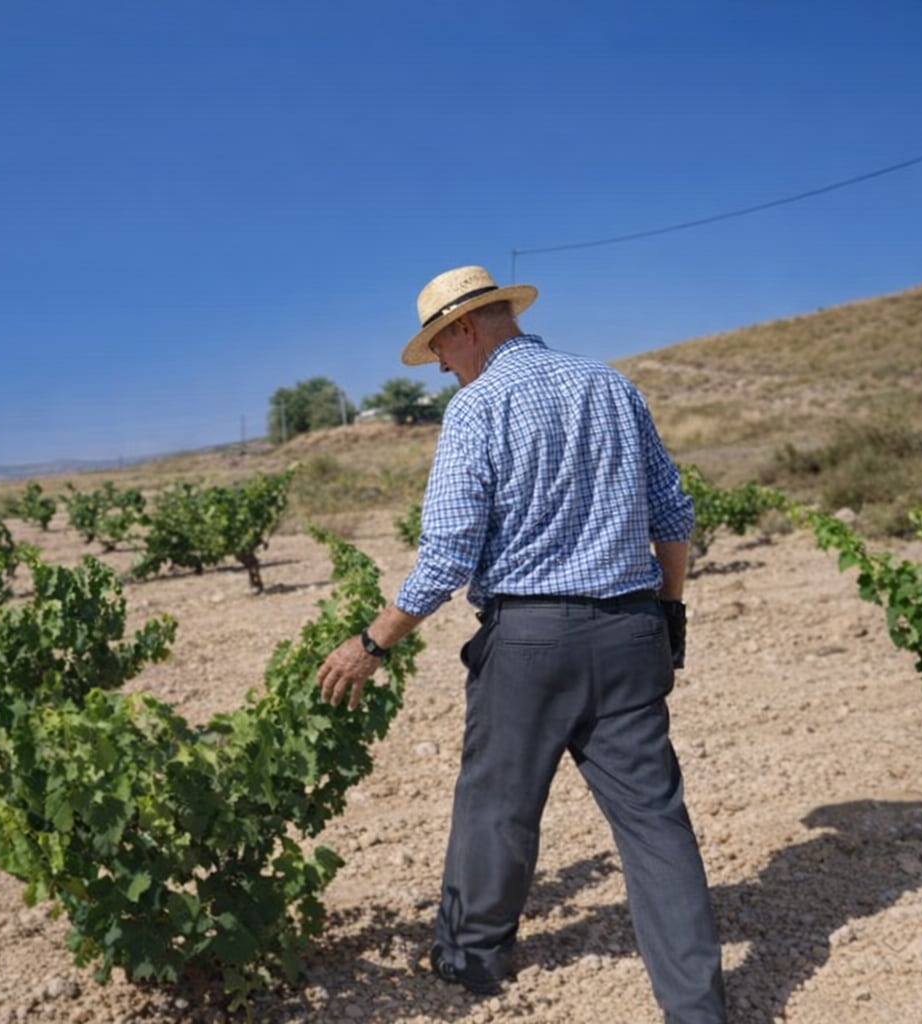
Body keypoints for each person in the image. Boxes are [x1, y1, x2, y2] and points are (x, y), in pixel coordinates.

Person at [317, 266, 726, 1022]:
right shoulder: (611, 385)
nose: (441, 366)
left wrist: (371, 644)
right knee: (654, 821)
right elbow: (673, 513)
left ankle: (472, 960)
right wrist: (669, 612)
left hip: (532, 642)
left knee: (498, 804)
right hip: (634, 626)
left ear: (467, 328)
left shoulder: (477, 409)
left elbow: (446, 556)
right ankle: (698, 1008)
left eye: (440, 347)